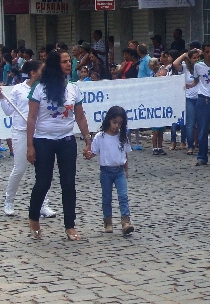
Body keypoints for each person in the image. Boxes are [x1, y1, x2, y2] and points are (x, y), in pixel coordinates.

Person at [26, 51, 91, 241]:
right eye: (64, 62)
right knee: (43, 182)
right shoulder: (39, 88)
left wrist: (88, 138)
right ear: (55, 64)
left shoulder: (73, 89)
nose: (69, 64)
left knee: (68, 183)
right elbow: (31, 118)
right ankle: (34, 218)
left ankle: (70, 225)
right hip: (43, 140)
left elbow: (80, 116)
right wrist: (30, 146)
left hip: (66, 140)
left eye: (69, 61)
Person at [0, 60, 56, 218]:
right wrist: (1, 95)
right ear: (33, 73)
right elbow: (8, 111)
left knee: (43, 171)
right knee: (20, 169)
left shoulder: (45, 89)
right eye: (42, 70)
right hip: (21, 132)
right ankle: (9, 201)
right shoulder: (18, 89)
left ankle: (43, 204)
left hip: (40, 133)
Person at [84, 105, 135, 235]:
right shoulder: (100, 137)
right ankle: (108, 222)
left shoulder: (122, 137)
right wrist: (88, 154)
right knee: (106, 197)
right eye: (114, 122)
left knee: (123, 196)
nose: (116, 126)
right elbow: (94, 152)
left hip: (119, 171)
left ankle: (126, 221)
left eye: (120, 123)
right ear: (108, 120)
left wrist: (126, 170)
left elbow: (125, 154)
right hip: (106, 171)